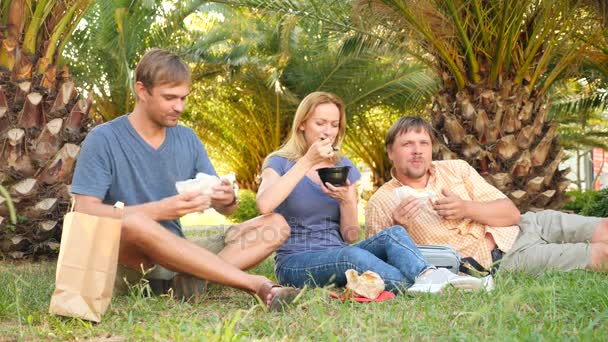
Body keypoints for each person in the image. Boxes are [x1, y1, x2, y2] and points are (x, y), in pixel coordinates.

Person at [70, 48, 298, 311]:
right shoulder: (104, 139)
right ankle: (254, 284)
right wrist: (162, 209)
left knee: (276, 224)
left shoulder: (187, 138)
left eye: (183, 98)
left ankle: (189, 279)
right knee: (134, 222)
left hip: (178, 250)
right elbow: (84, 211)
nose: (179, 107)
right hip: (129, 261)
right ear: (142, 91)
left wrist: (226, 199)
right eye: (169, 98)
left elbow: (227, 208)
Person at [256, 92, 483, 294]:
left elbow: (350, 236)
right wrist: (307, 161)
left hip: (338, 252)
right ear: (302, 124)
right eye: (321, 123)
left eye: (334, 125)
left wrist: (347, 201)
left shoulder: (342, 166)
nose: (328, 131)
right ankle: (436, 284)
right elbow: (265, 205)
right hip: (295, 261)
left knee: (392, 233)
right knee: (351, 258)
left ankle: (427, 276)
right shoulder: (280, 163)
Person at [366, 116, 608, 275]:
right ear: (390, 152)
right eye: (408, 144)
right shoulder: (382, 202)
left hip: (528, 224)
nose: (418, 151)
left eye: (424, 143)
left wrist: (465, 208)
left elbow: (512, 214)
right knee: (601, 254)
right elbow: (379, 271)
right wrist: (397, 231)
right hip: (507, 259)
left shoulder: (456, 169)